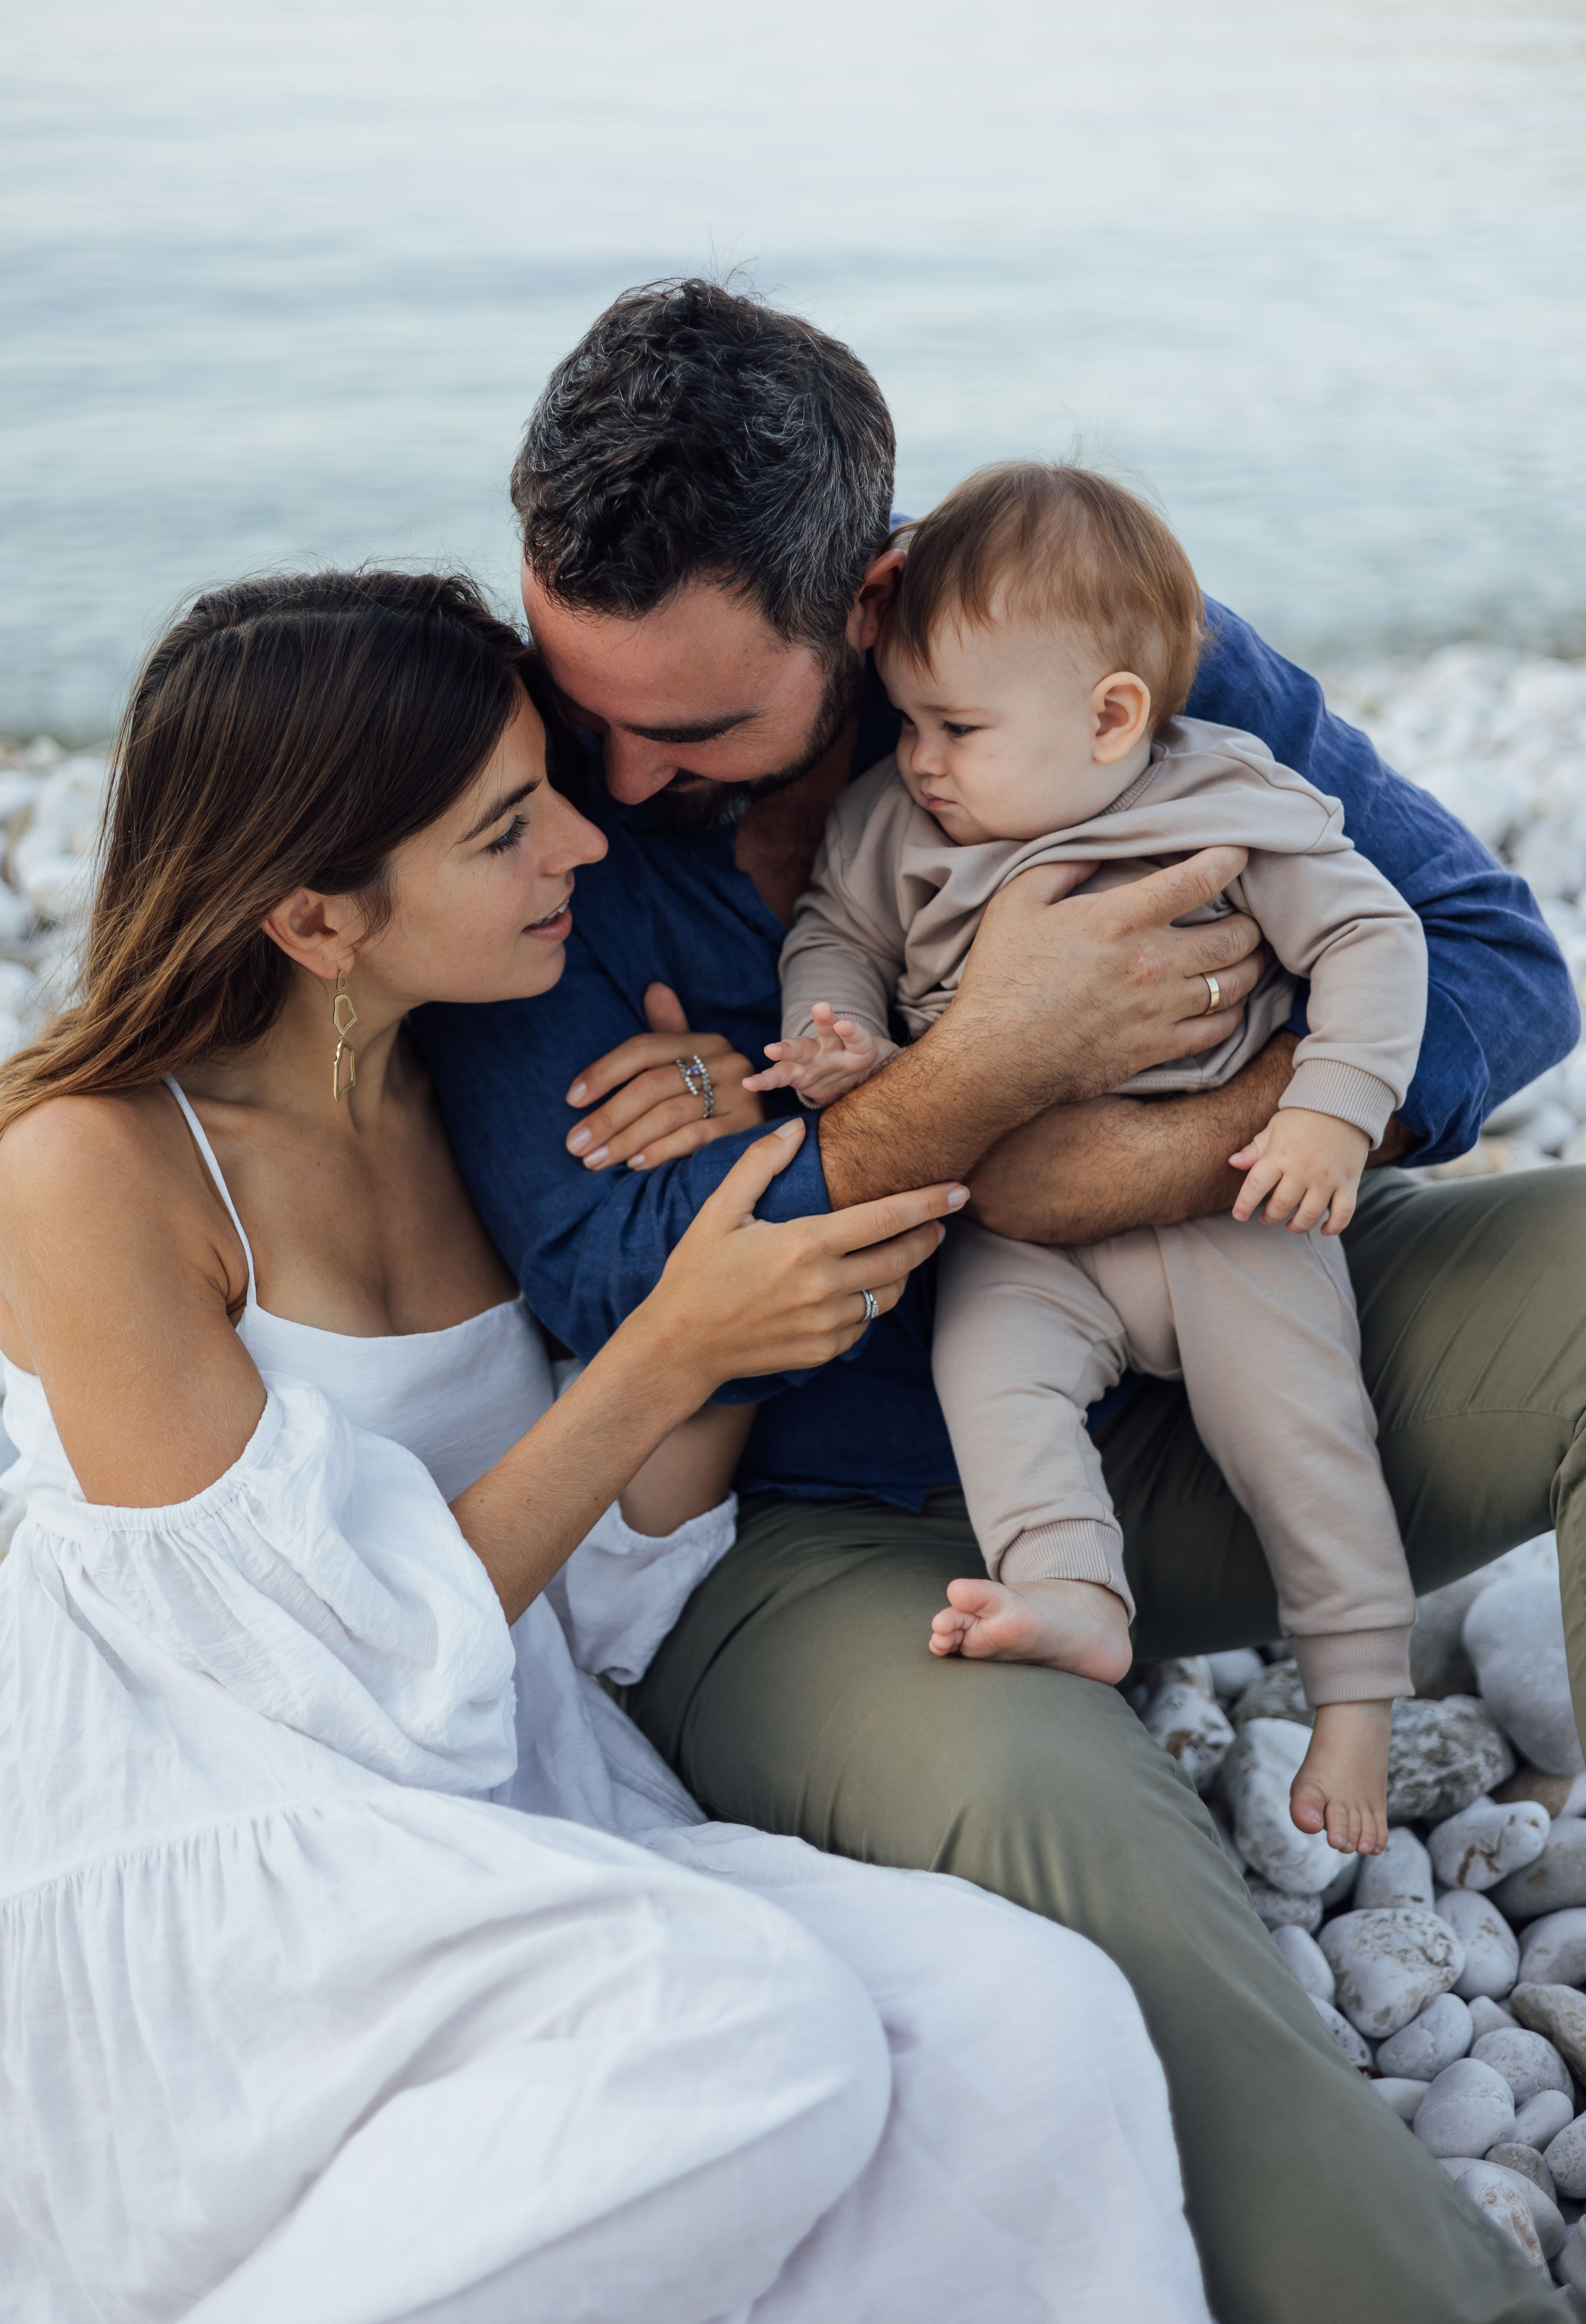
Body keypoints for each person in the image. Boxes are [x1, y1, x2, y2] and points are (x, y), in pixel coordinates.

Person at [411, 278, 1586, 2324]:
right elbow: (619, 1285)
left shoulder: (1088, 643)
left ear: (866, 603)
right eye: (574, 696)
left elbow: (1497, 967)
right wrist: (988, 1067)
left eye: (683, 729)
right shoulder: (511, 796)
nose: (595, 778)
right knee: (1119, 1900)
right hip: (825, 1542)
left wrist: (1106, 1140)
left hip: (1219, 1356)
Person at [0, 569, 1216, 2323]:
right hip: (219, 1827)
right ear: (318, 924)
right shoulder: (87, 1169)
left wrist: (727, 1235)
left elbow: (621, 1592)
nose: (584, 839)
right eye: (509, 828)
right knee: (749, 2027)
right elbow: (301, 1673)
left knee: (1031, 2020)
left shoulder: (480, 1094)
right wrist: (662, 1355)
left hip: (519, 1781)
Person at [753, 458, 1427, 1860]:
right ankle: (1075, 1596)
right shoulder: (897, 823)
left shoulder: (1225, 796)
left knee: (1300, 1428)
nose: (919, 757)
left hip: (1229, 1213)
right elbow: (833, 929)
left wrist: (1326, 1111)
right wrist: (830, 1028)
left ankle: (1356, 1685)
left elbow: (1374, 937)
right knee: (990, 1386)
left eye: (956, 726)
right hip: (1023, 1242)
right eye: (907, 722)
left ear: (1110, 716)